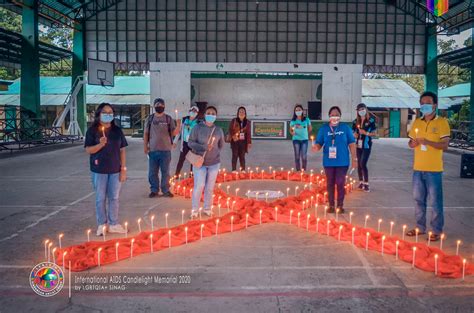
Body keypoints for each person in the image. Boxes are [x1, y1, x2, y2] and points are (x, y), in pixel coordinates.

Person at [406, 91, 450, 242]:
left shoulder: (442, 122)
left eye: (428, 103)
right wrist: (414, 143)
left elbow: (445, 145)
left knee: (435, 201)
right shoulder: (417, 122)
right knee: (418, 200)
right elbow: (410, 143)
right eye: (422, 103)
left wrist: (428, 142)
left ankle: (436, 230)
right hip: (418, 169)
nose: (425, 105)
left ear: (435, 105)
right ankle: (420, 227)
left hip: (434, 170)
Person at [84, 103, 128, 236]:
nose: (108, 114)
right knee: (100, 198)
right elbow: (88, 150)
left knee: (114, 197)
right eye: (105, 112)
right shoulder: (92, 131)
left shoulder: (117, 131)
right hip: (99, 170)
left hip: (115, 169)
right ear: (99, 114)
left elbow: (122, 150)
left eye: (110, 112)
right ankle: (102, 224)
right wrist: (100, 144)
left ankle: (114, 223)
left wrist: (123, 169)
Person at [312, 106, 357, 213]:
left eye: (336, 114)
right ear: (329, 116)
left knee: (340, 182)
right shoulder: (324, 129)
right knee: (330, 183)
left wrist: (354, 159)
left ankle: (340, 205)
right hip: (328, 161)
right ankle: (331, 205)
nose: (334, 116)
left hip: (342, 161)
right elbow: (319, 143)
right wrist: (316, 147)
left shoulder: (345, 128)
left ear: (340, 116)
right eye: (332, 115)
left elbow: (351, 144)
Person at [187, 106, 225, 218]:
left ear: (216, 116)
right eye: (208, 113)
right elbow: (190, 143)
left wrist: (214, 151)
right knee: (199, 185)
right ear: (204, 115)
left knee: (209, 187)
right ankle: (195, 209)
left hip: (214, 163)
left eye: (213, 113)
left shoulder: (218, 130)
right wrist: (204, 147)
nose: (211, 115)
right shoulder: (197, 128)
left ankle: (207, 208)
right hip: (200, 162)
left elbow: (221, 145)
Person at [144, 98, 180, 198]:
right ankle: (154, 190)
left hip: (165, 150)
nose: (159, 106)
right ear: (154, 106)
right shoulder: (150, 119)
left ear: (164, 106)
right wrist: (145, 147)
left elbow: (174, 133)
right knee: (152, 172)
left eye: (161, 104)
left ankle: (166, 190)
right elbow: (146, 134)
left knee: (165, 172)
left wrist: (178, 126)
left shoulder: (168, 119)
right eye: (157, 104)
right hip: (153, 150)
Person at [352, 103, 377, 192]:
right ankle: (361, 182)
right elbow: (353, 133)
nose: (361, 111)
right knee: (359, 164)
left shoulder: (371, 121)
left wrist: (365, 133)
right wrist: (354, 135)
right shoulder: (355, 122)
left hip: (366, 145)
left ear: (365, 109)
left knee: (363, 163)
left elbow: (375, 133)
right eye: (359, 110)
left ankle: (366, 184)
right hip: (358, 145)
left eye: (362, 109)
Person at [174, 105, 199, 177]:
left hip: (193, 143)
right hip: (185, 143)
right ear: (189, 111)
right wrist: (175, 141)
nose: (193, 112)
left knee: (192, 160)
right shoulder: (184, 120)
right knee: (181, 159)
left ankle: (191, 175)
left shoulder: (198, 122)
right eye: (192, 111)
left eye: (195, 111)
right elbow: (179, 132)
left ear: (197, 113)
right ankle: (176, 174)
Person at [228, 106, 252, 172]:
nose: (241, 113)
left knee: (242, 156)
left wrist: (249, 142)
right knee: (235, 155)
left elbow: (249, 133)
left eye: (243, 111)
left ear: (245, 113)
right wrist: (233, 136)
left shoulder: (247, 122)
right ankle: (234, 170)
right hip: (235, 141)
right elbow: (230, 129)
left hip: (243, 141)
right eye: (240, 111)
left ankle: (243, 170)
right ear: (238, 112)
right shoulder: (234, 120)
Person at [289, 104, 312, 171]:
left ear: (302, 111)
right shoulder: (293, 121)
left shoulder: (307, 119)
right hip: (296, 140)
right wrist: (292, 132)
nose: (298, 111)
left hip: (304, 140)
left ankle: (303, 170)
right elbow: (290, 130)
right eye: (296, 110)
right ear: (294, 112)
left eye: (299, 110)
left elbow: (310, 129)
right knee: (297, 156)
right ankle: (298, 171)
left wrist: (304, 132)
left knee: (304, 156)